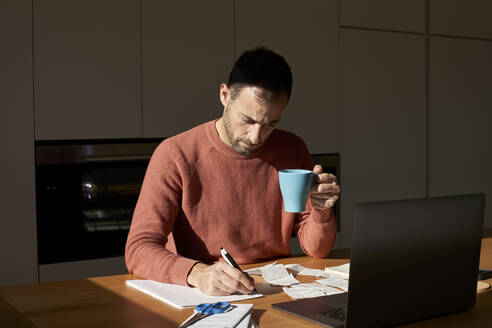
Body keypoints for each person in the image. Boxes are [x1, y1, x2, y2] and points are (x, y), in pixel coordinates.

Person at [125, 47, 341, 296]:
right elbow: (138, 249)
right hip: (207, 295)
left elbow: (317, 250)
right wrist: (198, 273)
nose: (256, 137)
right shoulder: (175, 154)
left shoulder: (292, 148)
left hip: (275, 289)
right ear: (225, 95)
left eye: (271, 124)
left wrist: (322, 212)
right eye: (248, 120)